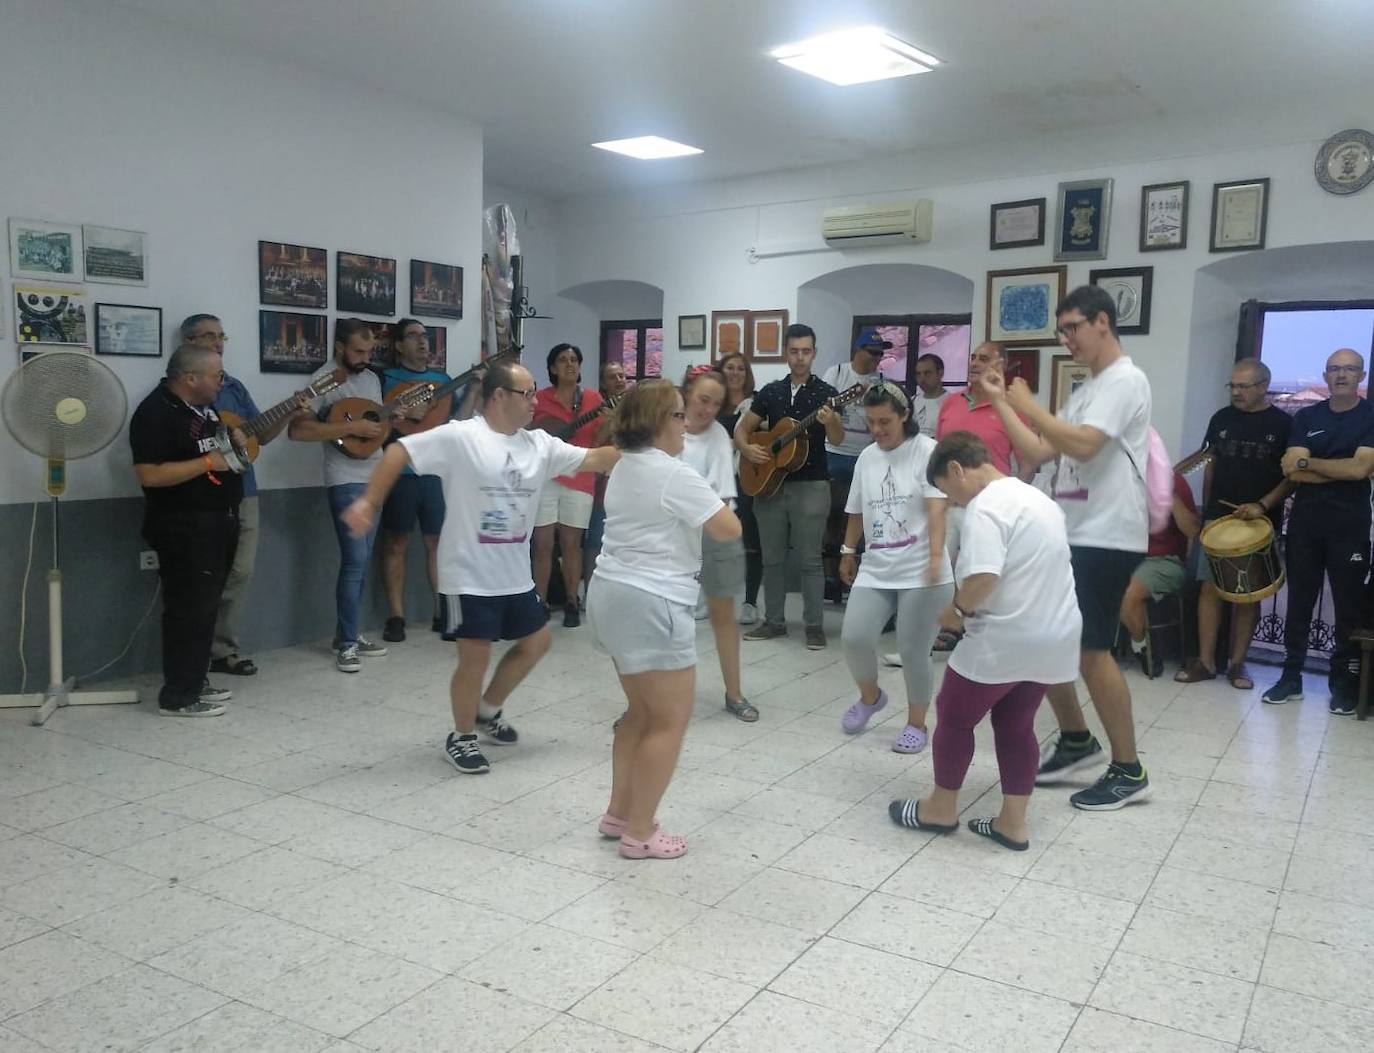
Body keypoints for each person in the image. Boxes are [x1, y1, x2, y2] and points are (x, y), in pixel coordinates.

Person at [342, 360, 619, 773]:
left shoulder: (539, 445)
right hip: (467, 575)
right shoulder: (462, 437)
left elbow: (596, 458)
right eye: (526, 393)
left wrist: (647, 443)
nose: (534, 401)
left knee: (536, 642)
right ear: (498, 396)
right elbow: (400, 450)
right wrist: (368, 501)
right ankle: (462, 735)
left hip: (513, 577)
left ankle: (488, 711)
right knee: (475, 657)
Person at [983, 285, 1154, 810]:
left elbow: (1084, 444)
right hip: (1072, 530)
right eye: (1061, 331)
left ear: (1103, 321)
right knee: (1047, 637)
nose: (1066, 339)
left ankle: (1128, 769)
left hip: (1107, 534)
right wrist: (1000, 402)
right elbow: (1037, 451)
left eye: (1073, 327)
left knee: (1089, 649)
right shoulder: (1087, 389)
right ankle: (1077, 740)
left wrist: (1030, 404)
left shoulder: (1125, 380)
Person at [889, 431, 1081, 851]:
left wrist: (955, 611)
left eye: (948, 491)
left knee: (954, 715)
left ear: (957, 469)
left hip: (1006, 635)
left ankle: (940, 808)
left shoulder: (985, 508)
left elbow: (983, 578)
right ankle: (1012, 824)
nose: (954, 502)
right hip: (1057, 632)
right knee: (1016, 724)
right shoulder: (1037, 498)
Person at [587, 379, 742, 858]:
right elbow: (728, 528)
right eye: (677, 415)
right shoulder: (673, 473)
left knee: (640, 712)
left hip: (611, 594)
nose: (686, 423)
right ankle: (641, 830)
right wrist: (709, 491)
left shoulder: (624, 465)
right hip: (653, 602)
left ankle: (619, 813)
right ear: (656, 423)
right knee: (669, 721)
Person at [181, 314, 302, 681]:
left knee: (241, 571)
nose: (218, 342)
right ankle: (193, 654)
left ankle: (223, 649)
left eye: (222, 336)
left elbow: (259, 435)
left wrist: (289, 412)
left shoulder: (234, 387)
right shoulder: (180, 393)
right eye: (209, 336)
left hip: (244, 491)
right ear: (189, 343)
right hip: (200, 495)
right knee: (202, 575)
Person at [129, 345, 245, 717]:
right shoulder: (156, 413)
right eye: (216, 375)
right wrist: (210, 462)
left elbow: (213, 449)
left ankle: (195, 680)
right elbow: (150, 474)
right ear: (190, 378)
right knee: (187, 609)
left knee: (206, 607)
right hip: (184, 525)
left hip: (218, 519)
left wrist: (232, 445)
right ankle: (178, 696)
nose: (221, 381)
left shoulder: (204, 410)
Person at [837, 383, 952, 752]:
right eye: (871, 422)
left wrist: (936, 557)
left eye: (885, 421)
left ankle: (917, 724)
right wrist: (847, 550)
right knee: (854, 638)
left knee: (913, 649)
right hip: (877, 565)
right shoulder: (867, 457)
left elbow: (936, 508)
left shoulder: (927, 451)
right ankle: (871, 698)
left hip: (921, 568)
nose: (877, 429)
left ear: (905, 415)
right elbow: (856, 508)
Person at [1177, 358, 1293, 688]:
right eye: (1233, 386)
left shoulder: (1283, 425)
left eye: (1243, 386)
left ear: (1263, 386)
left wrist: (1262, 504)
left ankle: (1239, 665)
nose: (1236, 392)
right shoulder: (1221, 419)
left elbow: (1292, 478)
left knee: (1249, 595)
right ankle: (1205, 662)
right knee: (1209, 589)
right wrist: (1206, 510)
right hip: (1217, 520)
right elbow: (1209, 463)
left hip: (1259, 523)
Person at [1269, 348, 1374, 715]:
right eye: (1334, 369)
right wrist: (1336, 467)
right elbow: (1290, 471)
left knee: (1347, 610)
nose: (1341, 375)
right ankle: (1290, 678)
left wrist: (1309, 462)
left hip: (1350, 528)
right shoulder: (1307, 416)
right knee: (1298, 604)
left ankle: (1342, 686)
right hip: (1305, 527)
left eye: (1349, 369)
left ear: (1361, 376)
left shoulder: (1370, 416)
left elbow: (1361, 471)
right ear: (1325, 375)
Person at [288, 318, 396, 673]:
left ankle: (347, 633)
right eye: (357, 351)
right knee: (353, 560)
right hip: (344, 478)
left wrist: (392, 421)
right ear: (339, 348)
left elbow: (376, 430)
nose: (364, 358)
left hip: (375, 473)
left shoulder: (370, 379)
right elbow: (299, 431)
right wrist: (351, 426)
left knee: (362, 561)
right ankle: (347, 643)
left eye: (369, 352)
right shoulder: (324, 380)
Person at [736, 324, 845, 649]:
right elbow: (743, 430)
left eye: (806, 352)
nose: (800, 358)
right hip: (769, 485)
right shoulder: (770, 392)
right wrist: (747, 449)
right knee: (772, 557)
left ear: (814, 353)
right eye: (794, 351)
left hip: (811, 485)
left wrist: (832, 421)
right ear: (786, 353)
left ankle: (814, 625)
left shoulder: (827, 393)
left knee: (810, 559)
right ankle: (774, 622)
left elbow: (838, 439)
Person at [377, 319, 480, 643]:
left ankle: (442, 612)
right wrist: (404, 411)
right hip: (400, 471)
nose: (422, 342)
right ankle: (396, 616)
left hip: (435, 475)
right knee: (396, 542)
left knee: (437, 542)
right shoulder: (385, 378)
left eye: (425, 336)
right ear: (398, 345)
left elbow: (456, 425)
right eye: (413, 336)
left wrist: (475, 388)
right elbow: (373, 418)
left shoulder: (443, 380)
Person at [681, 366, 757, 721]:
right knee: (664, 620)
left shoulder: (717, 437)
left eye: (716, 404)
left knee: (723, 616)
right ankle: (648, 700)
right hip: (671, 536)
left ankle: (734, 692)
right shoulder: (663, 428)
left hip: (714, 530)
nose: (708, 409)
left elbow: (723, 500)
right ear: (686, 393)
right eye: (702, 400)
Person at [531, 343, 605, 627]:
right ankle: (540, 601)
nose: (570, 364)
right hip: (547, 478)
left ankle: (572, 601)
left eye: (575, 359)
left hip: (580, 477)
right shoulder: (539, 399)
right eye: (562, 360)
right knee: (542, 544)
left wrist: (609, 422)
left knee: (572, 544)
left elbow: (601, 438)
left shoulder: (593, 399)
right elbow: (531, 433)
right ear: (552, 368)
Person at [821, 328, 890, 602]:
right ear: (858, 351)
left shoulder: (882, 381)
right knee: (833, 517)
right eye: (872, 352)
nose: (877, 358)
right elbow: (823, 407)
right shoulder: (836, 373)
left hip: (866, 455)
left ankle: (853, 578)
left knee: (863, 517)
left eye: (880, 354)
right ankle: (830, 580)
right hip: (835, 452)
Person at [1121, 473, 1200, 677]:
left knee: (1129, 594)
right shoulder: (1120, 478)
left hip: (1165, 560)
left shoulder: (1174, 480)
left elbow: (1192, 530)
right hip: (1127, 554)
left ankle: (1142, 648)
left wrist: (1169, 495)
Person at [716, 351, 763, 626]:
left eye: (740, 369)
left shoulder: (756, 404)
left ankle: (749, 601)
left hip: (746, 480)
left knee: (751, 543)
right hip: (715, 482)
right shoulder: (714, 404)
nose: (734, 373)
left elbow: (760, 437)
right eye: (729, 368)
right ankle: (714, 598)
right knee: (715, 543)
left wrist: (735, 444)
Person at [582, 359, 631, 597]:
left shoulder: (637, 408)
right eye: (613, 377)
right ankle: (590, 590)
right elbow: (595, 442)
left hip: (632, 481)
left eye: (622, 375)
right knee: (596, 537)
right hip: (605, 480)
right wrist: (611, 420)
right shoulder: (598, 410)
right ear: (604, 383)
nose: (619, 380)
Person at [912, 353, 947, 438]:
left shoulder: (951, 402)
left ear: (940, 373)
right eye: (918, 374)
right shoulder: (911, 401)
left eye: (927, 373)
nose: (922, 379)